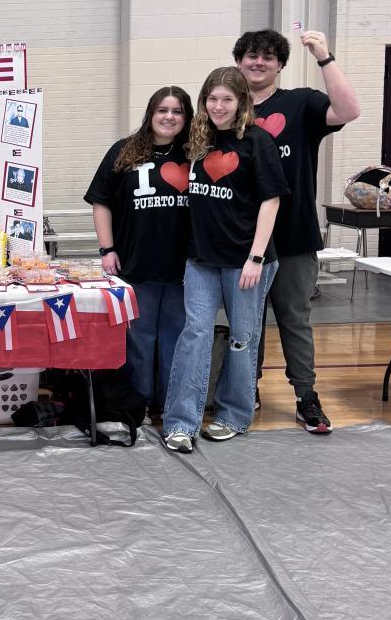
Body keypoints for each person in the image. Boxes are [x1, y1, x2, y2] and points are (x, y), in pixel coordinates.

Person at [234, 28, 360, 434]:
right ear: (239, 62)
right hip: (240, 240)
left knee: (295, 320)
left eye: (268, 57)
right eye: (251, 55)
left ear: (280, 65)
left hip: (293, 236)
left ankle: (306, 396)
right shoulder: (226, 109)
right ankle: (245, 388)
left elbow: (349, 110)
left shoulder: (301, 102)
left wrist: (324, 56)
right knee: (246, 322)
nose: (259, 62)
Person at [162, 67, 289, 453]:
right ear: (204, 101)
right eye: (212, 99)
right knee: (195, 334)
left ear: (241, 102)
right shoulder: (198, 140)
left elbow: (271, 201)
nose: (218, 106)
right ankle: (181, 421)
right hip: (202, 259)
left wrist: (255, 258)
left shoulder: (257, 141)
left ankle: (234, 415)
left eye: (227, 99)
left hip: (246, 262)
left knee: (241, 339)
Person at [85, 86, 193, 410]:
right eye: (162, 110)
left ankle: (172, 406)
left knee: (177, 340)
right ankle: (139, 406)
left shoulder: (195, 153)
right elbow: (101, 202)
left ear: (186, 117)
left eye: (177, 111)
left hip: (185, 269)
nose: (169, 117)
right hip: (136, 265)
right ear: (151, 113)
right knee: (138, 342)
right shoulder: (124, 150)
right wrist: (107, 250)